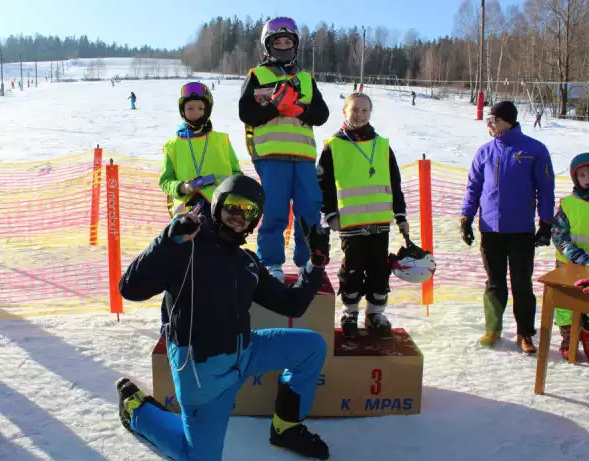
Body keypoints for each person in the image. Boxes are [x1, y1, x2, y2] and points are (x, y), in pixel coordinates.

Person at [116, 175, 332, 461]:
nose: (240, 216)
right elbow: (130, 289)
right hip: (204, 374)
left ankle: (286, 427)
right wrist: (167, 240)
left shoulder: (248, 263)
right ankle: (138, 410)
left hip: (245, 352)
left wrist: (315, 264)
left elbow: (292, 305)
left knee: (311, 347)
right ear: (218, 205)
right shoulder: (187, 247)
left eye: (250, 211)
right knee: (199, 458)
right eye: (234, 206)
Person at [238, 16, 329, 283]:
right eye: (277, 41)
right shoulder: (258, 75)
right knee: (274, 211)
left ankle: (308, 262)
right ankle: (271, 264)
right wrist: (274, 107)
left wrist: (301, 109)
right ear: (268, 45)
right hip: (271, 158)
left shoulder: (305, 79)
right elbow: (247, 113)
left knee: (309, 212)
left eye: (288, 41)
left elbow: (322, 114)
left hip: (303, 159)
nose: (283, 45)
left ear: (296, 45)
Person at [460, 100, 555, 354]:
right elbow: (473, 187)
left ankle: (525, 333)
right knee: (494, 282)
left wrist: (546, 223)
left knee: (521, 283)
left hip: (521, 230)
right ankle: (493, 328)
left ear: (509, 121)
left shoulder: (534, 150)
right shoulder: (485, 152)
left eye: (495, 119)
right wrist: (466, 217)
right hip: (490, 229)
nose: (489, 123)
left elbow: (545, 189)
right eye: (488, 119)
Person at [318, 92, 409, 339]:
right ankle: (349, 312)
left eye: (364, 110)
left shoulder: (382, 145)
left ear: (370, 113)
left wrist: (401, 216)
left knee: (379, 268)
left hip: (380, 221)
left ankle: (375, 313)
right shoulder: (333, 145)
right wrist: (330, 214)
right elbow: (323, 184)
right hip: (351, 221)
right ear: (344, 112)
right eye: (354, 110)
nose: (359, 115)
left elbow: (395, 182)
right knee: (353, 268)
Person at [159, 82, 242, 219]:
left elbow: (237, 174)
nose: (195, 113)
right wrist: (181, 187)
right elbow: (165, 182)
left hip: (221, 209)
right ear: (182, 111)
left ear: (207, 110)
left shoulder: (222, 140)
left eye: (200, 108)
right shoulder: (172, 146)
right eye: (190, 108)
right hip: (187, 212)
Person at [551, 153, 589, 360]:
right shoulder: (568, 204)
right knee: (565, 304)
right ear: (576, 179)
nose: (587, 178)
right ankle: (568, 337)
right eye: (582, 175)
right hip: (568, 265)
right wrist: (577, 256)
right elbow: (559, 236)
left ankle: (587, 333)